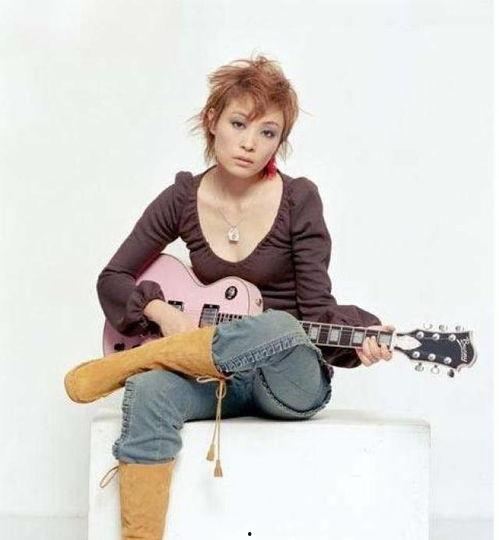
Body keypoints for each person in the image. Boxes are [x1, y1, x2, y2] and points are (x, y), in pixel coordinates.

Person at [65, 54, 394, 540]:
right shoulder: (182, 198)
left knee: (280, 325)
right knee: (149, 392)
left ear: (280, 142)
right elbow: (112, 277)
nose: (250, 143)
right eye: (239, 124)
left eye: (268, 132)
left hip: (288, 377)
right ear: (211, 121)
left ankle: (134, 362)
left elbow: (318, 312)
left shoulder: (299, 199)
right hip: (219, 377)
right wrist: (160, 312)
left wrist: (361, 334)